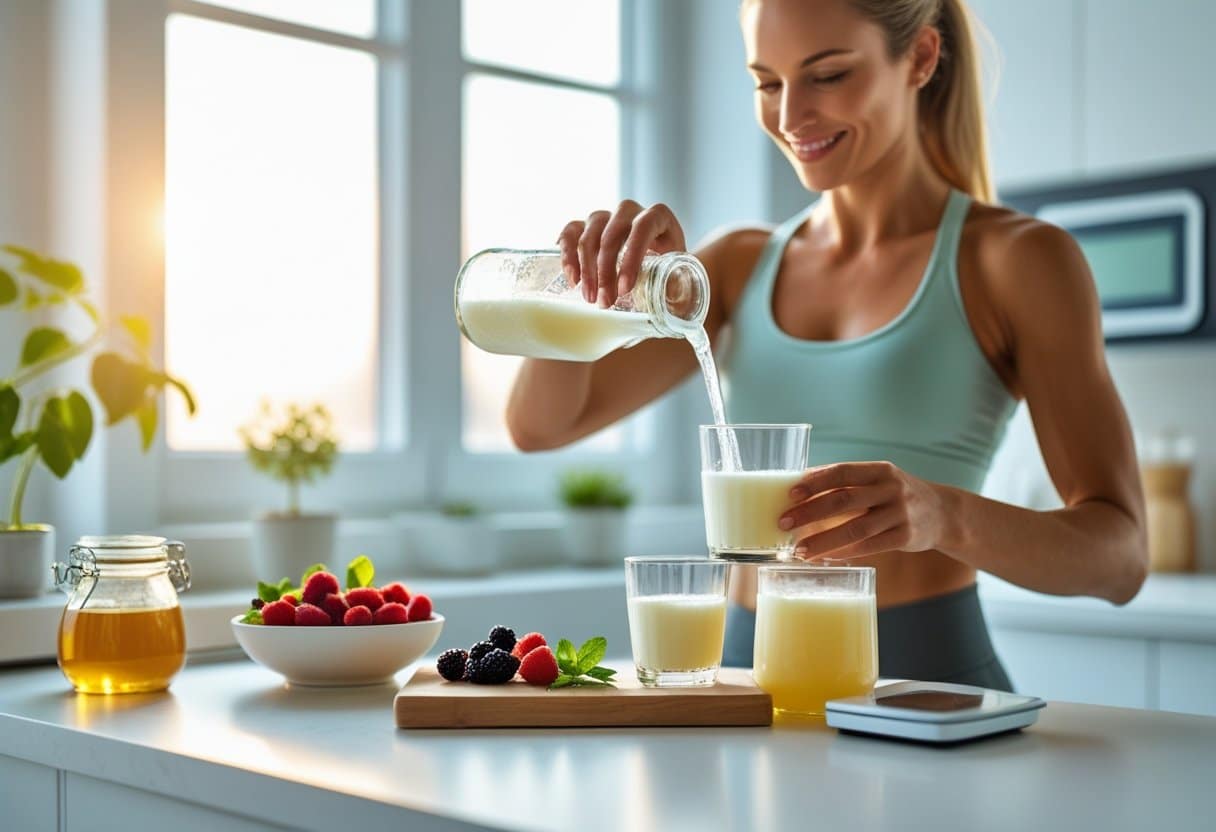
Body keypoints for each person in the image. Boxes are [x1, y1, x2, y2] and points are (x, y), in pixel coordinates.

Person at [504, 0, 1147, 690]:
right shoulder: (736, 266)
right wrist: (580, 288)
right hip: (748, 684)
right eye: (768, 83)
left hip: (932, 684)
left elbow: (1120, 557)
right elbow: (543, 426)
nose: (790, 118)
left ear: (922, 59)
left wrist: (945, 515)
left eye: (829, 75)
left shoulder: (1017, 261)